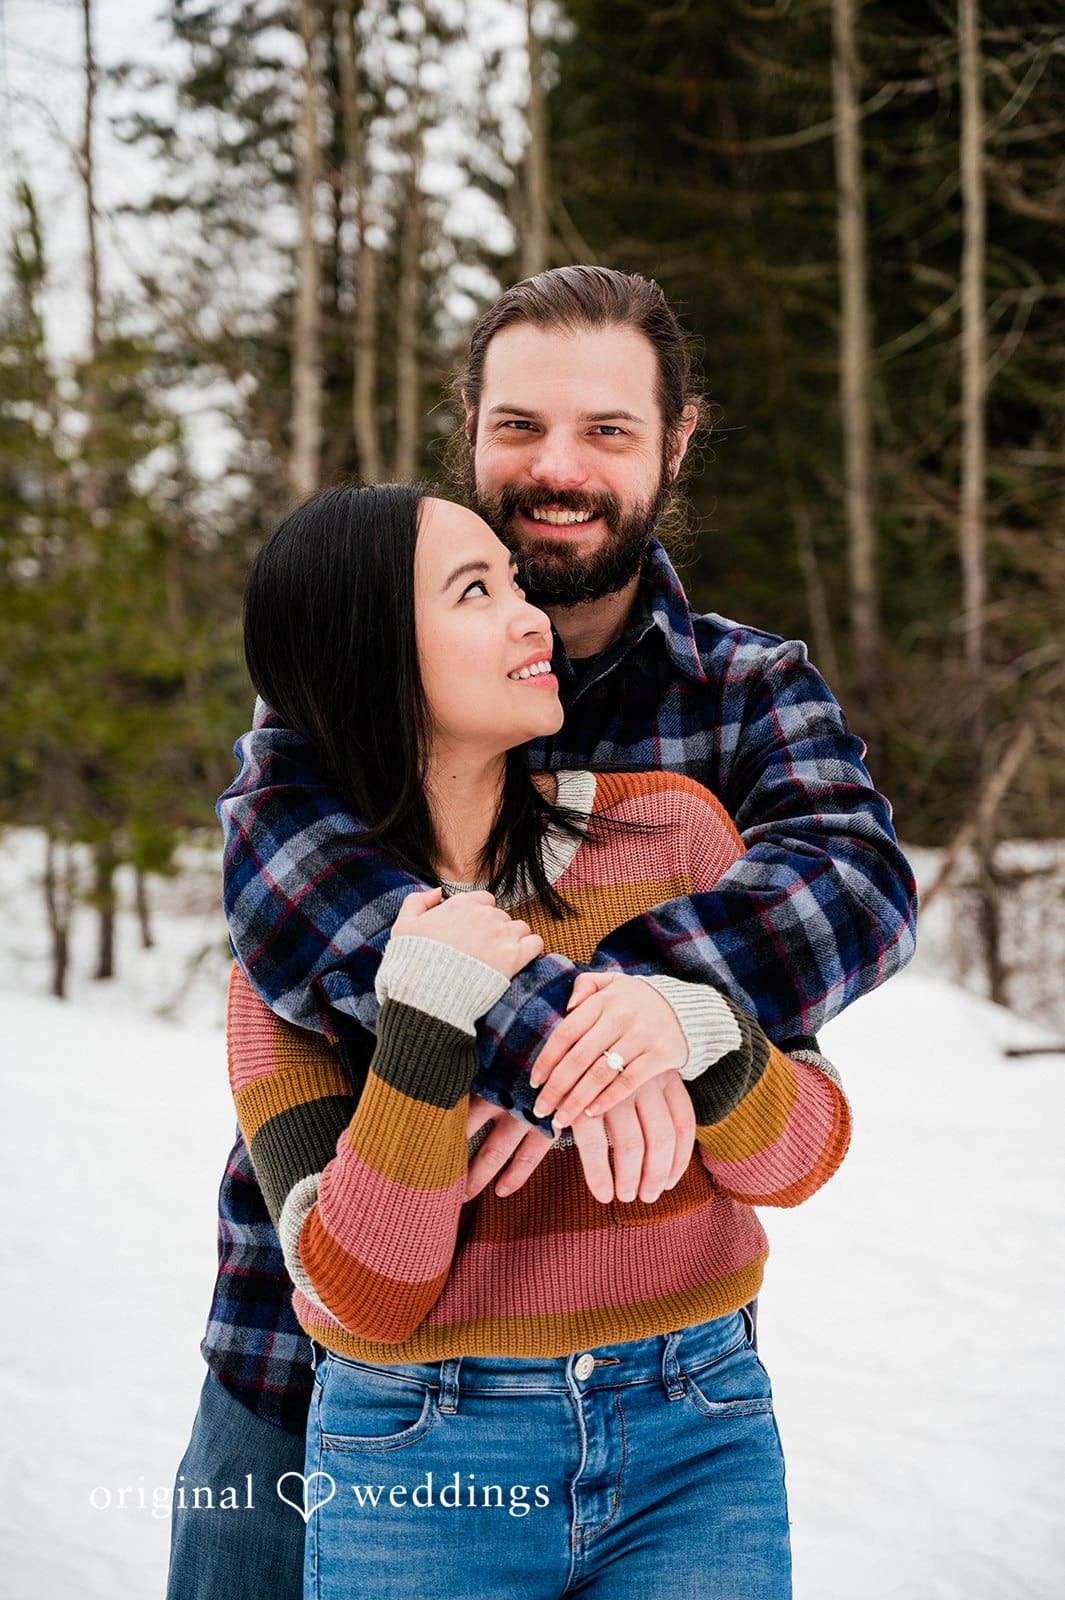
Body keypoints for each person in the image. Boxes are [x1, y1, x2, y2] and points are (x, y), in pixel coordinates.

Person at [166, 266, 916, 1598]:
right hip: (311, 1356)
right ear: (468, 422)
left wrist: (646, 1010)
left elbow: (852, 887)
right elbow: (301, 901)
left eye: (606, 431)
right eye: (518, 426)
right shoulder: (347, 674)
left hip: (656, 1378)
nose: (555, 468)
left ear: (676, 443)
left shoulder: (738, 700)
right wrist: (543, 1044)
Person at [229, 480, 852, 1600]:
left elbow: (801, 1153)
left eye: (515, 582)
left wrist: (692, 1022)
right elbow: (357, 1296)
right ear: (366, 652)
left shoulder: (669, 832)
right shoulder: (296, 957)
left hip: (696, 1433)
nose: (532, 616)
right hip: (419, 1461)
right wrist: (425, 1021)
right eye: (477, 591)